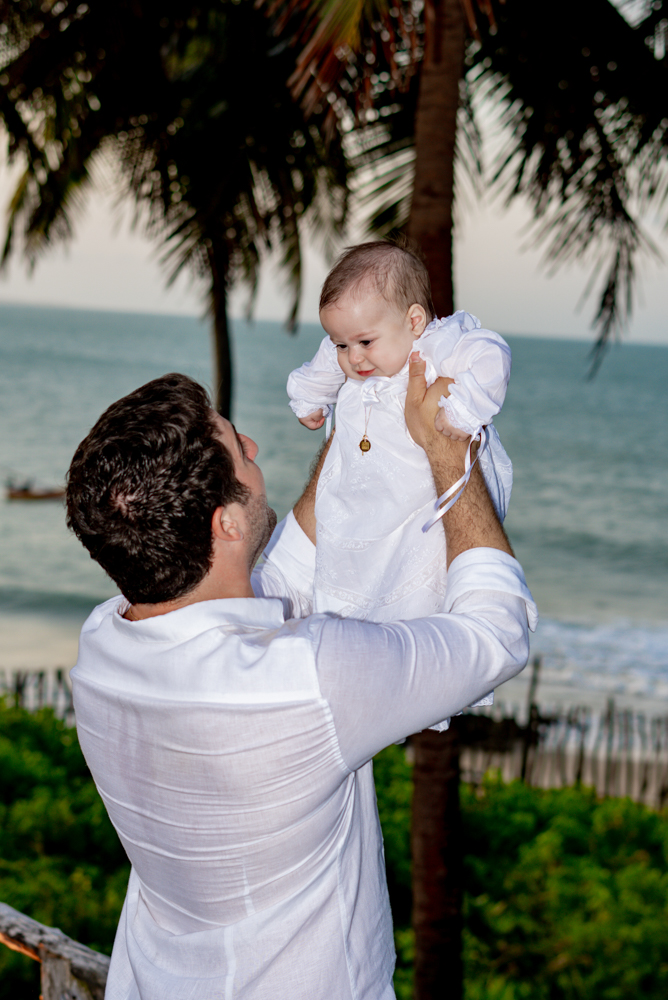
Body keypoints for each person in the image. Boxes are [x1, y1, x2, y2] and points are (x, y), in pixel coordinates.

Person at [66, 365, 536, 1000]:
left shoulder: (103, 645)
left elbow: (282, 580)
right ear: (226, 525)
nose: (253, 445)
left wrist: (358, 414)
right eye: (239, 448)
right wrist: (450, 456)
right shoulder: (309, 677)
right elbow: (496, 636)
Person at [287, 239, 513, 727]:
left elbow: (491, 355)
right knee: (352, 573)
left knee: (415, 578)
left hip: (418, 503)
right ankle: (358, 671)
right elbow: (319, 369)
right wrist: (308, 397)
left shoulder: (437, 344)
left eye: (364, 342)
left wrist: (464, 409)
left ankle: (416, 681)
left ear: (413, 321)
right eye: (342, 344)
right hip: (363, 497)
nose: (352, 357)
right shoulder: (348, 347)